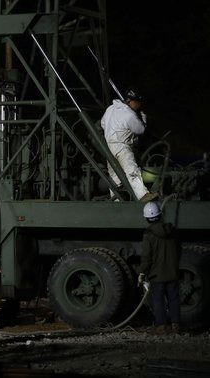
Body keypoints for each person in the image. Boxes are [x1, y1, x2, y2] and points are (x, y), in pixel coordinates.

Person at [100, 88, 158, 202]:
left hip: (109, 146)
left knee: (114, 175)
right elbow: (140, 130)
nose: (139, 105)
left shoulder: (110, 109)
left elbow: (103, 123)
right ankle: (142, 195)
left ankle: (116, 200)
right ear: (132, 101)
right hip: (122, 146)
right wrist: (143, 118)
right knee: (132, 170)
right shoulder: (129, 114)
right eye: (138, 103)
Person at [138, 201, 181, 334]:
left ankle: (161, 326)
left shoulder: (149, 235)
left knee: (158, 300)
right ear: (160, 214)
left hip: (157, 275)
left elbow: (146, 257)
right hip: (172, 272)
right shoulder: (172, 231)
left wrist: (142, 273)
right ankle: (175, 326)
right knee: (173, 299)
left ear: (147, 218)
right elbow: (178, 250)